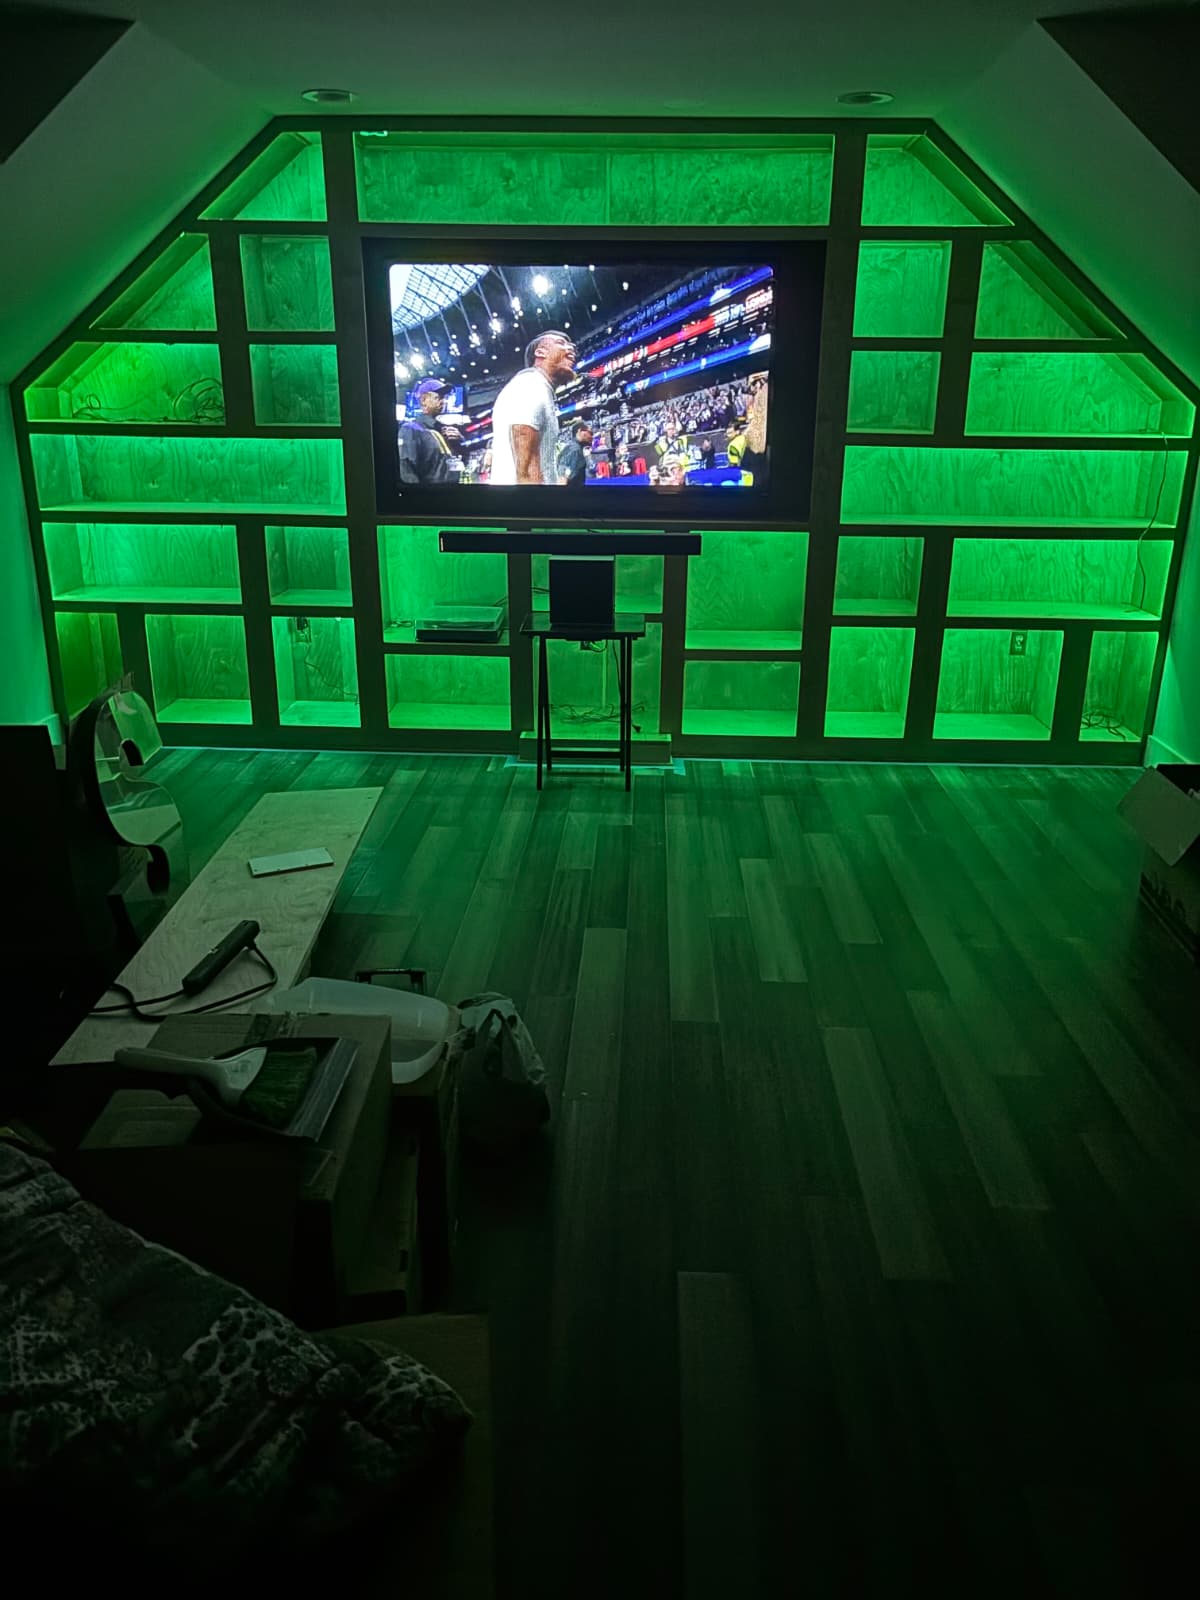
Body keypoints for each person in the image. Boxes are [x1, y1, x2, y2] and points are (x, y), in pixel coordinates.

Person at [489, 330, 576, 485]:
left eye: (571, 345)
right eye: (561, 343)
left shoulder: (534, 385)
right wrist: (535, 498)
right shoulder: (532, 384)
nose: (571, 348)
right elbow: (522, 434)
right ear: (540, 352)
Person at [397, 378, 455, 486]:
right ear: (424, 400)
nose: (443, 401)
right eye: (438, 397)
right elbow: (406, 470)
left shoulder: (442, 430)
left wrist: (459, 442)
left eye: (444, 397)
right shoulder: (410, 430)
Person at [558, 422, 593, 488]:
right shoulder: (574, 449)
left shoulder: (577, 448)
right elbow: (563, 477)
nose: (591, 437)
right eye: (590, 433)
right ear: (579, 431)